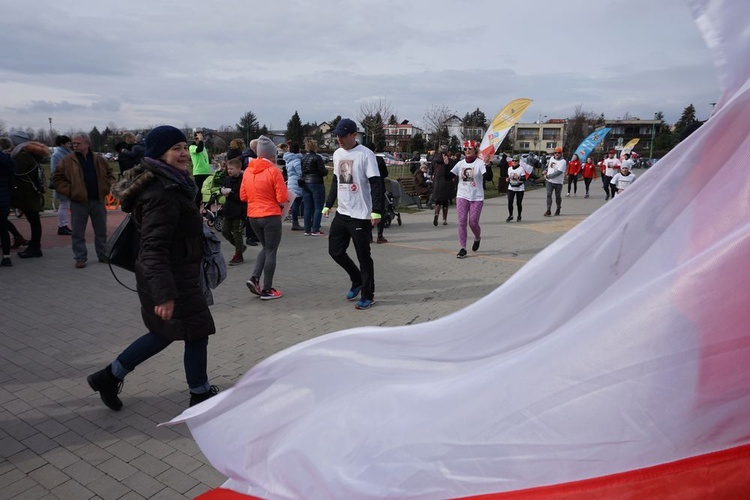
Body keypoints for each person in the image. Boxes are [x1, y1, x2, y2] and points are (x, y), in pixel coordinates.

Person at [87, 125, 218, 410]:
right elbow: (153, 249)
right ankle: (200, 393)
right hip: (170, 279)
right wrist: (164, 294)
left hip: (173, 274)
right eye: (176, 149)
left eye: (184, 147)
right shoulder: (163, 191)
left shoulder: (170, 182)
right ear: (160, 153)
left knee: (164, 333)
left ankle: (109, 376)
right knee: (196, 332)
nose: (184, 153)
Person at [322, 118, 384, 310]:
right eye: (337, 135)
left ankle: (368, 295)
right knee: (335, 251)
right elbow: (336, 180)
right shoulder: (338, 153)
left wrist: (376, 211)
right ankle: (356, 279)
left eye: (342, 135)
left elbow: (376, 184)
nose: (339, 139)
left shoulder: (366, 155)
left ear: (353, 135)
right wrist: (328, 204)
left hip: (361, 214)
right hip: (342, 212)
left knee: (363, 257)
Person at [53, 132, 116, 268]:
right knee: (77, 232)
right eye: (73, 143)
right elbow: (57, 178)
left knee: (101, 231)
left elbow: (110, 173)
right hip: (79, 201)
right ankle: (80, 257)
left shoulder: (98, 159)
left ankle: (103, 254)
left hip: (98, 200)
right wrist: (70, 191)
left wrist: (107, 185)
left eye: (78, 143)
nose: (74, 145)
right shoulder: (67, 160)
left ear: (87, 144)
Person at [240, 136, 289, 300]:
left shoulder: (247, 170)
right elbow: (282, 197)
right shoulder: (273, 171)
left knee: (265, 248)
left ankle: (254, 278)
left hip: (253, 215)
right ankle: (267, 289)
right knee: (271, 251)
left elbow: (243, 195)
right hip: (270, 215)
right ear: (272, 155)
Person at [8, 131, 48, 258]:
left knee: (34, 220)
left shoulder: (22, 156)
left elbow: (15, 174)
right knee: (34, 220)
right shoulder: (29, 154)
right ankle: (34, 245)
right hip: (30, 192)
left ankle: (35, 247)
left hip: (25, 193)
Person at [451, 140, 489, 258]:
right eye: (465, 149)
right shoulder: (460, 164)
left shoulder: (480, 163)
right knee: (462, 221)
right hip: (462, 196)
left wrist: (487, 164)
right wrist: (445, 164)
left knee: (472, 222)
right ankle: (463, 248)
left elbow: (488, 177)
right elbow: (449, 176)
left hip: (476, 197)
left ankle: (477, 238)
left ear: (475, 150)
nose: (467, 151)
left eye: (470, 149)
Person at [0, 137, 28, 251]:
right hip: (6, 193)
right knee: (2, 221)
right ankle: (17, 237)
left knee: (2, 222)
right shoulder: (9, 160)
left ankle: (16, 238)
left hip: (4, 192)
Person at [220, 154, 248, 265]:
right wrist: (221, 190)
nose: (229, 171)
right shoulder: (227, 179)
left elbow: (242, 197)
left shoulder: (243, 180)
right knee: (225, 231)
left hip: (239, 211)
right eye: (228, 169)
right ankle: (240, 247)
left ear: (239, 169)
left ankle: (238, 254)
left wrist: (230, 194)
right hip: (228, 210)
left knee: (237, 232)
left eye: (232, 169)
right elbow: (222, 186)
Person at [300, 138, 328, 236]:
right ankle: (315, 228)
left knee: (307, 207)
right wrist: (326, 171)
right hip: (316, 183)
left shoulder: (303, 158)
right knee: (318, 207)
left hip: (305, 183)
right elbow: (322, 171)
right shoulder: (317, 158)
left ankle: (307, 229)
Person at [50, 135, 73, 235]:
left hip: (68, 182)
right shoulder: (57, 155)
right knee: (64, 205)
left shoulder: (67, 153)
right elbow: (55, 170)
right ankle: (62, 225)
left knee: (65, 205)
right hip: (62, 183)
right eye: (68, 143)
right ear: (62, 144)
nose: (70, 145)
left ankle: (64, 225)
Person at [431, 145, 456, 226]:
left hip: (437, 181)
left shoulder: (435, 159)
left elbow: (431, 169)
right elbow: (452, 170)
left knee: (438, 201)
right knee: (445, 201)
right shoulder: (449, 160)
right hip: (446, 181)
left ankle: (436, 214)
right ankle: (444, 219)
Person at [284, 143, 304, 231]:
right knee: (296, 203)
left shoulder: (288, 160)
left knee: (294, 204)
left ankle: (294, 222)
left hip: (291, 182)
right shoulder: (296, 160)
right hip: (297, 183)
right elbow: (299, 173)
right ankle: (295, 223)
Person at [505, 156, 533, 222]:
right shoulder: (509, 169)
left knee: (519, 203)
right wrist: (507, 179)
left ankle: (519, 215)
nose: (514, 162)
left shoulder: (521, 169)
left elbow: (524, 179)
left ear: (518, 162)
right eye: (513, 161)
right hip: (511, 187)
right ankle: (510, 215)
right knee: (510, 202)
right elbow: (508, 177)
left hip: (519, 188)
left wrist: (518, 177)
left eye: (516, 161)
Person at [0, 143, 15, 267]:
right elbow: (11, 181)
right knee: (3, 228)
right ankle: (6, 256)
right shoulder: (7, 160)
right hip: (3, 197)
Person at [543, 146, 567, 217]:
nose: (557, 154)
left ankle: (558, 208)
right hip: (549, 181)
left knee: (557, 196)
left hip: (558, 182)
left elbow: (558, 173)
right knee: (548, 195)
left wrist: (548, 176)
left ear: (561, 153)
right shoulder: (551, 158)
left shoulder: (563, 162)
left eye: (558, 153)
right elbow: (549, 167)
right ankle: (548, 210)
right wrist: (546, 171)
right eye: (555, 153)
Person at [189, 130, 211, 203]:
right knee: (200, 191)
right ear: (195, 139)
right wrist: (201, 140)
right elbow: (199, 150)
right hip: (199, 172)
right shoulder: (192, 147)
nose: (200, 140)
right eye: (198, 138)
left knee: (206, 192)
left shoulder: (203, 148)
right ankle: (195, 207)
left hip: (207, 172)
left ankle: (204, 207)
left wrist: (213, 163)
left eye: (201, 138)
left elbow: (206, 158)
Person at [373, 153, 389, 244]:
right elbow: (385, 173)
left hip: (367, 189)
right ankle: (379, 235)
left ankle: (369, 236)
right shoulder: (379, 160)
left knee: (368, 212)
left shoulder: (364, 158)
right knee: (380, 211)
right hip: (379, 188)